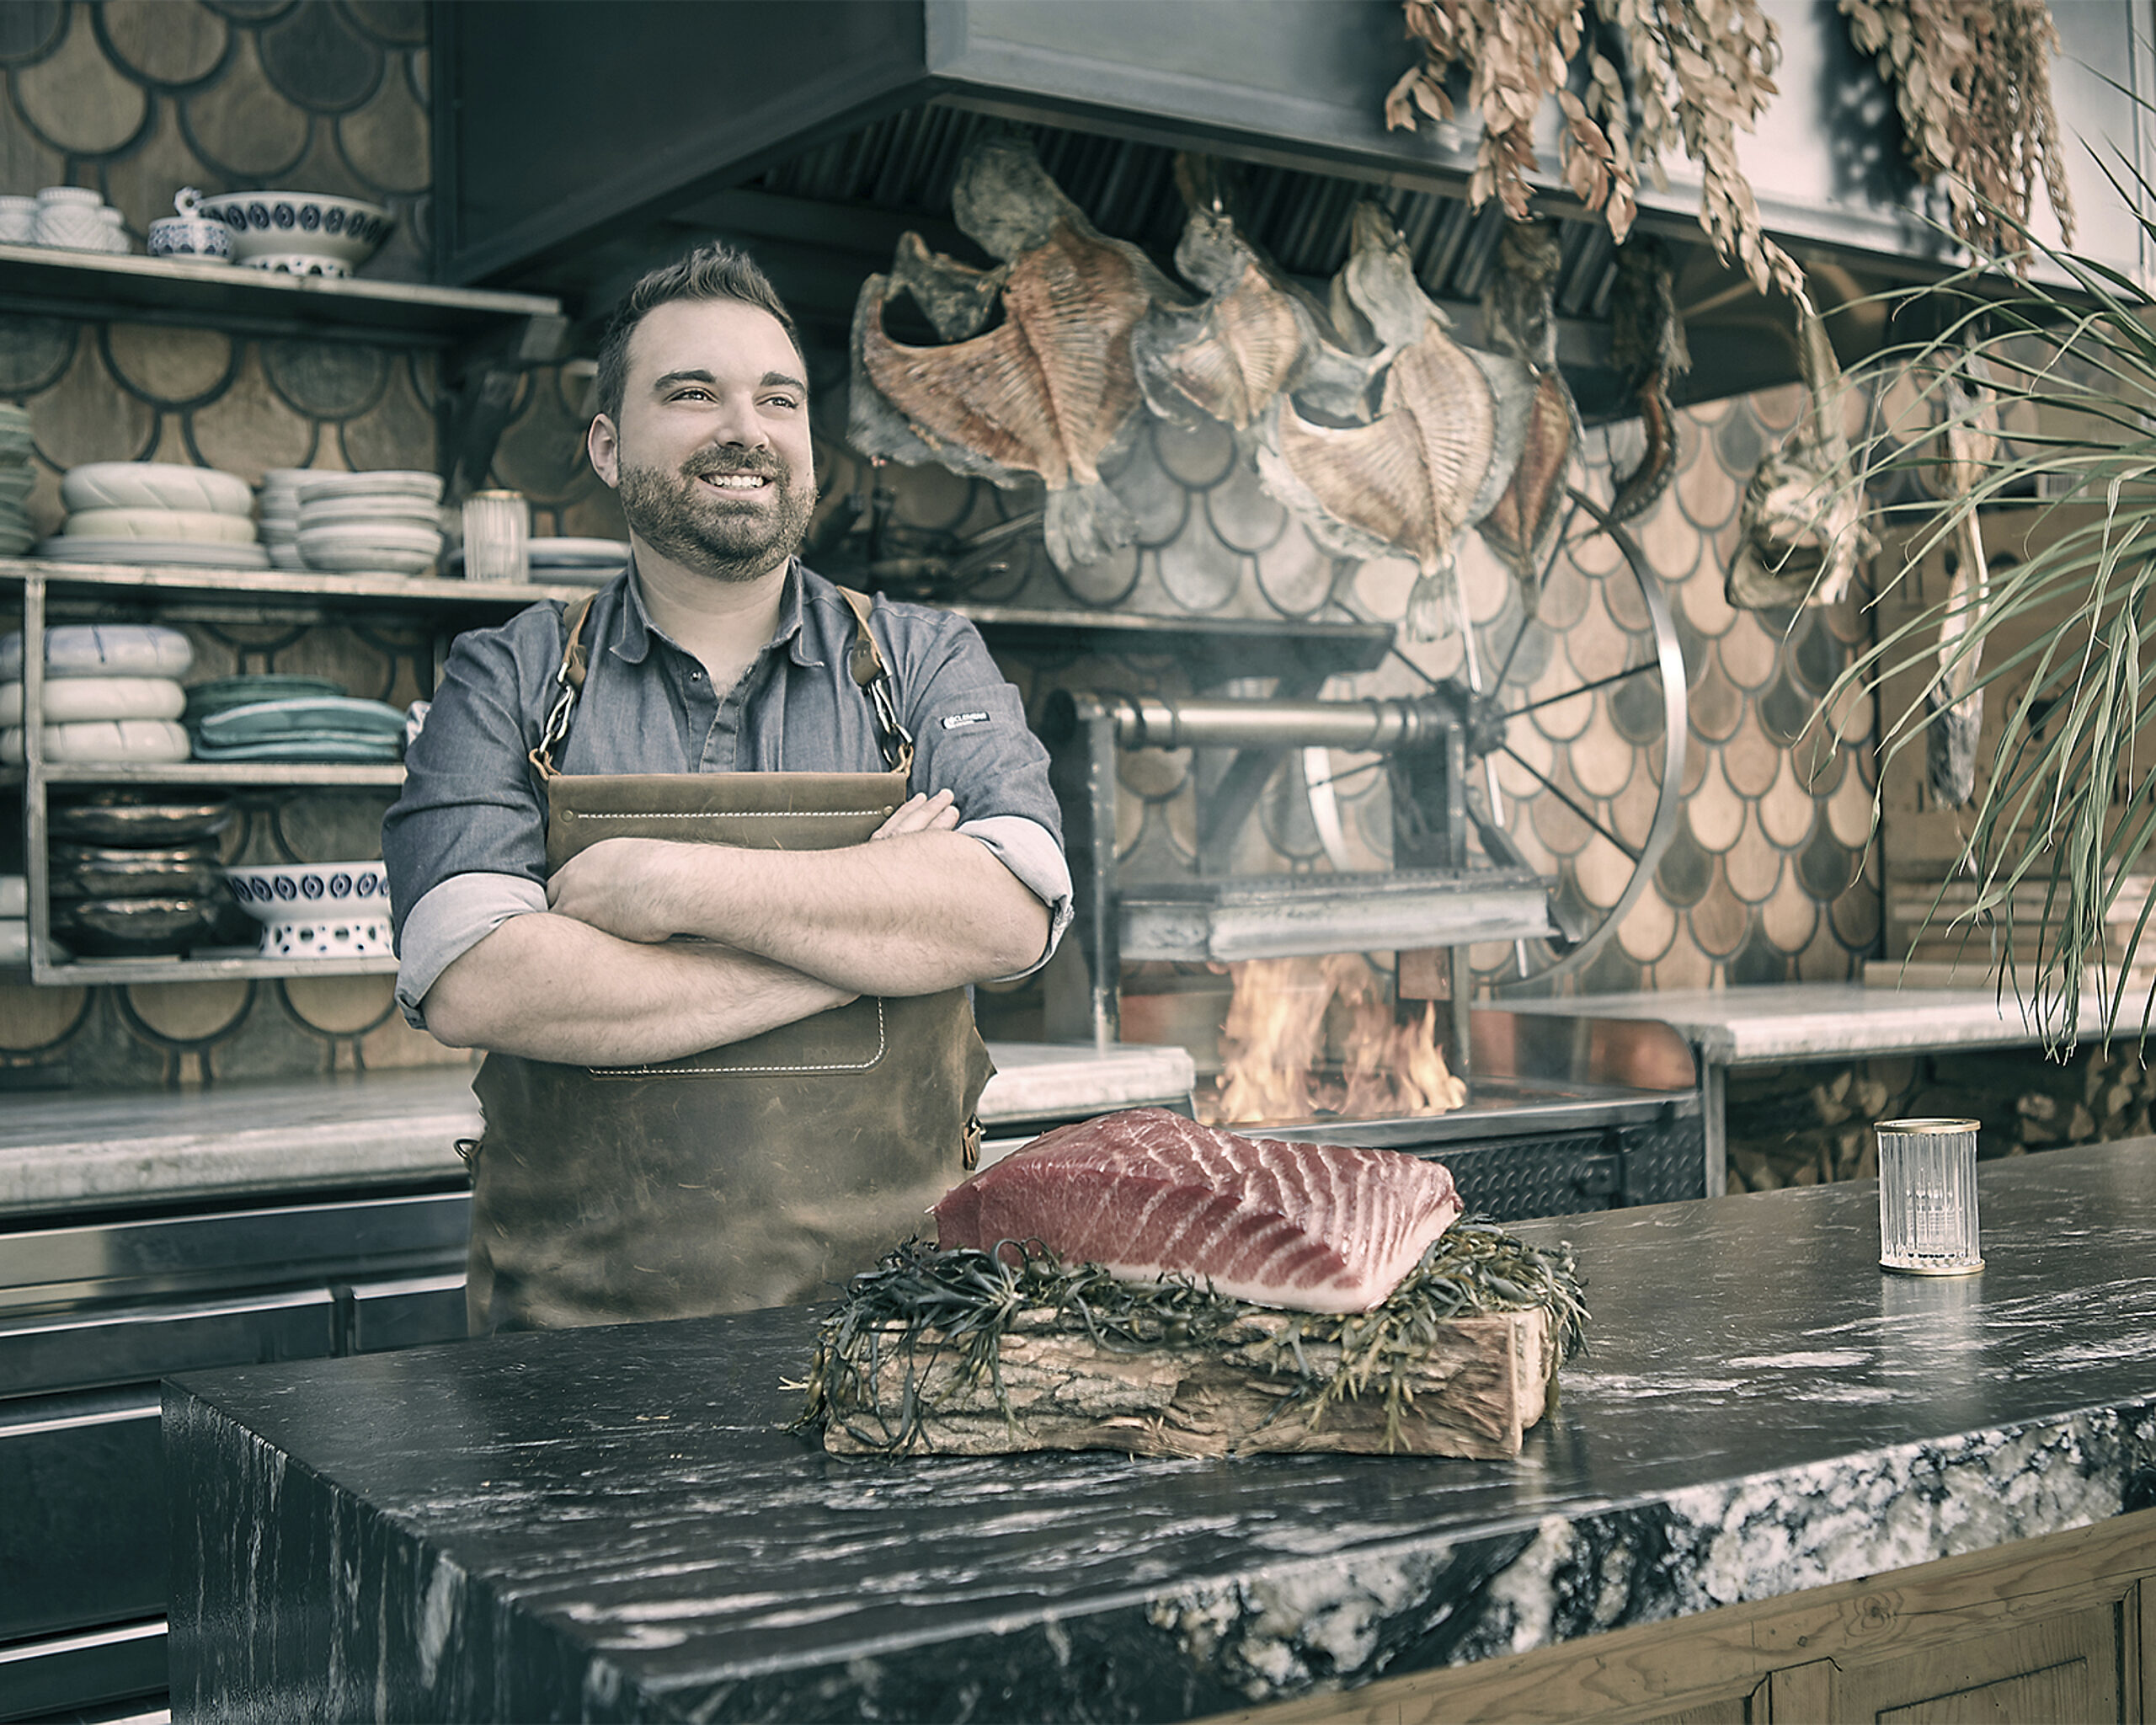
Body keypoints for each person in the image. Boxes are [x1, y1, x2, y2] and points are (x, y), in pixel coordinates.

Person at [382, 243, 1070, 1333]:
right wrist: (865, 944)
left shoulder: (925, 659)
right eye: (693, 393)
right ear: (607, 446)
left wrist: (667, 886)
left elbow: (1013, 913)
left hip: (903, 1337)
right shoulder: (505, 675)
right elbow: (471, 978)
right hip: (570, 1350)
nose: (746, 429)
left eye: (778, 399)